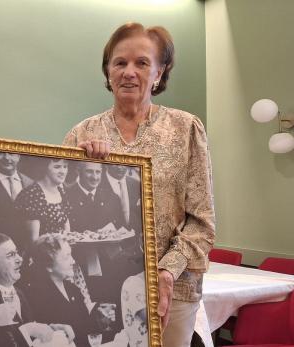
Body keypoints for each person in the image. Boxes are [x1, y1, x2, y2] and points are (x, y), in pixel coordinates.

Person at [63, 22, 215, 346]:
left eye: (142, 63)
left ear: (159, 73)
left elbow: (202, 223)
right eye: (120, 63)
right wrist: (78, 167)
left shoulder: (186, 129)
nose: (129, 72)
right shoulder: (81, 135)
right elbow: (65, 217)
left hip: (173, 291)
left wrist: (166, 273)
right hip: (105, 289)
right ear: (108, 72)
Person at [0, 233, 75, 347]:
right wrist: (27, 330)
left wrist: (52, 329)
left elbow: (29, 335)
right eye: (10, 255)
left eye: (17, 253)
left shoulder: (20, 293)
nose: (20, 259)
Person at [21, 234, 105, 347]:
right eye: (67, 257)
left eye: (71, 255)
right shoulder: (35, 296)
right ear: (48, 266)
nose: (73, 261)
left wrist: (100, 319)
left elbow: (85, 328)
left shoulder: (72, 289)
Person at [14, 159, 71, 249]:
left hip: (61, 251)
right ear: (44, 168)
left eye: (65, 167)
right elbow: (34, 241)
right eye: (57, 167)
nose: (63, 171)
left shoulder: (61, 192)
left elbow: (67, 231)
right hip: (41, 255)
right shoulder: (32, 194)